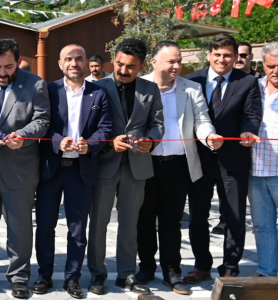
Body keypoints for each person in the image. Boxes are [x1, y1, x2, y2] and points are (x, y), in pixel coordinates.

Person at [136, 41, 222, 295]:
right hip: (145, 163)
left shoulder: (191, 89)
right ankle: (147, 267)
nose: (176, 66)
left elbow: (202, 121)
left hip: (178, 165)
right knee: (144, 220)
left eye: (179, 61)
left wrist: (210, 138)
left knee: (171, 222)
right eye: (171, 61)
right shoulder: (139, 87)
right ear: (154, 62)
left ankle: (172, 271)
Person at [0, 39, 50, 299]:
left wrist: (22, 137)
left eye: (8, 66)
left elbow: (42, 120)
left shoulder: (36, 84)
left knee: (19, 226)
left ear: (18, 61)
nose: (2, 73)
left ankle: (19, 276)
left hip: (19, 167)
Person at [34, 44, 112, 299]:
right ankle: (44, 275)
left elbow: (105, 128)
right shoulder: (49, 90)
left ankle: (72, 278)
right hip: (51, 170)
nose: (74, 63)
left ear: (86, 62)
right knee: (45, 226)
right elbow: (42, 124)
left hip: (81, 169)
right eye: (68, 59)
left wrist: (89, 145)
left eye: (79, 59)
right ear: (60, 63)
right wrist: (58, 141)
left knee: (77, 230)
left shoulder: (98, 93)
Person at [87, 38, 164, 296]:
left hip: (137, 165)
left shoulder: (151, 89)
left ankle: (126, 274)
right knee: (98, 223)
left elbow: (157, 124)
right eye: (119, 64)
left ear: (141, 66)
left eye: (130, 66)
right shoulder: (97, 87)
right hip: (104, 164)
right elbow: (89, 126)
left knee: (130, 224)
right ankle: (97, 274)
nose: (122, 70)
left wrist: (150, 141)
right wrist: (109, 142)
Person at [184, 33, 261, 282]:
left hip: (234, 160)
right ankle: (202, 266)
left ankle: (230, 268)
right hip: (200, 160)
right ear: (208, 55)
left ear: (235, 56)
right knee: (197, 216)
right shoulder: (191, 81)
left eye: (227, 55)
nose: (222, 59)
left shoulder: (247, 82)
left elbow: (251, 114)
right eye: (217, 54)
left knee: (234, 217)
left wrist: (249, 130)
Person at [246, 41, 278, 277]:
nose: (277, 71)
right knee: (262, 227)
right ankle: (266, 272)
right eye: (271, 66)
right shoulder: (253, 87)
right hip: (255, 170)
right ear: (263, 65)